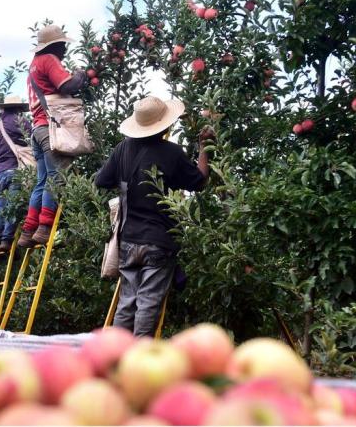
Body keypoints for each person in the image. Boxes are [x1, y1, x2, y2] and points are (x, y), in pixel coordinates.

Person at [94, 96, 214, 337]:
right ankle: (140, 358)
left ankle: (117, 354)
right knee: (148, 301)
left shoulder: (122, 149)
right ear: (165, 125)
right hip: (159, 240)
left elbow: (101, 181)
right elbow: (199, 180)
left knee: (127, 301)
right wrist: (204, 148)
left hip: (129, 239)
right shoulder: (171, 152)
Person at [17, 24, 88, 248]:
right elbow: (68, 85)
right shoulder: (49, 60)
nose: (65, 50)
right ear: (55, 45)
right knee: (56, 179)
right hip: (51, 129)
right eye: (63, 45)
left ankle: (28, 231)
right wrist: (82, 75)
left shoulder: (33, 66)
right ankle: (45, 227)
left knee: (42, 181)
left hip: (37, 130)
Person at [0, 96, 31, 255]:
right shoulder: (21, 122)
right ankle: (6, 240)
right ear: (18, 108)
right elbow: (32, 139)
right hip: (15, 169)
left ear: (4, 108)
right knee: (13, 205)